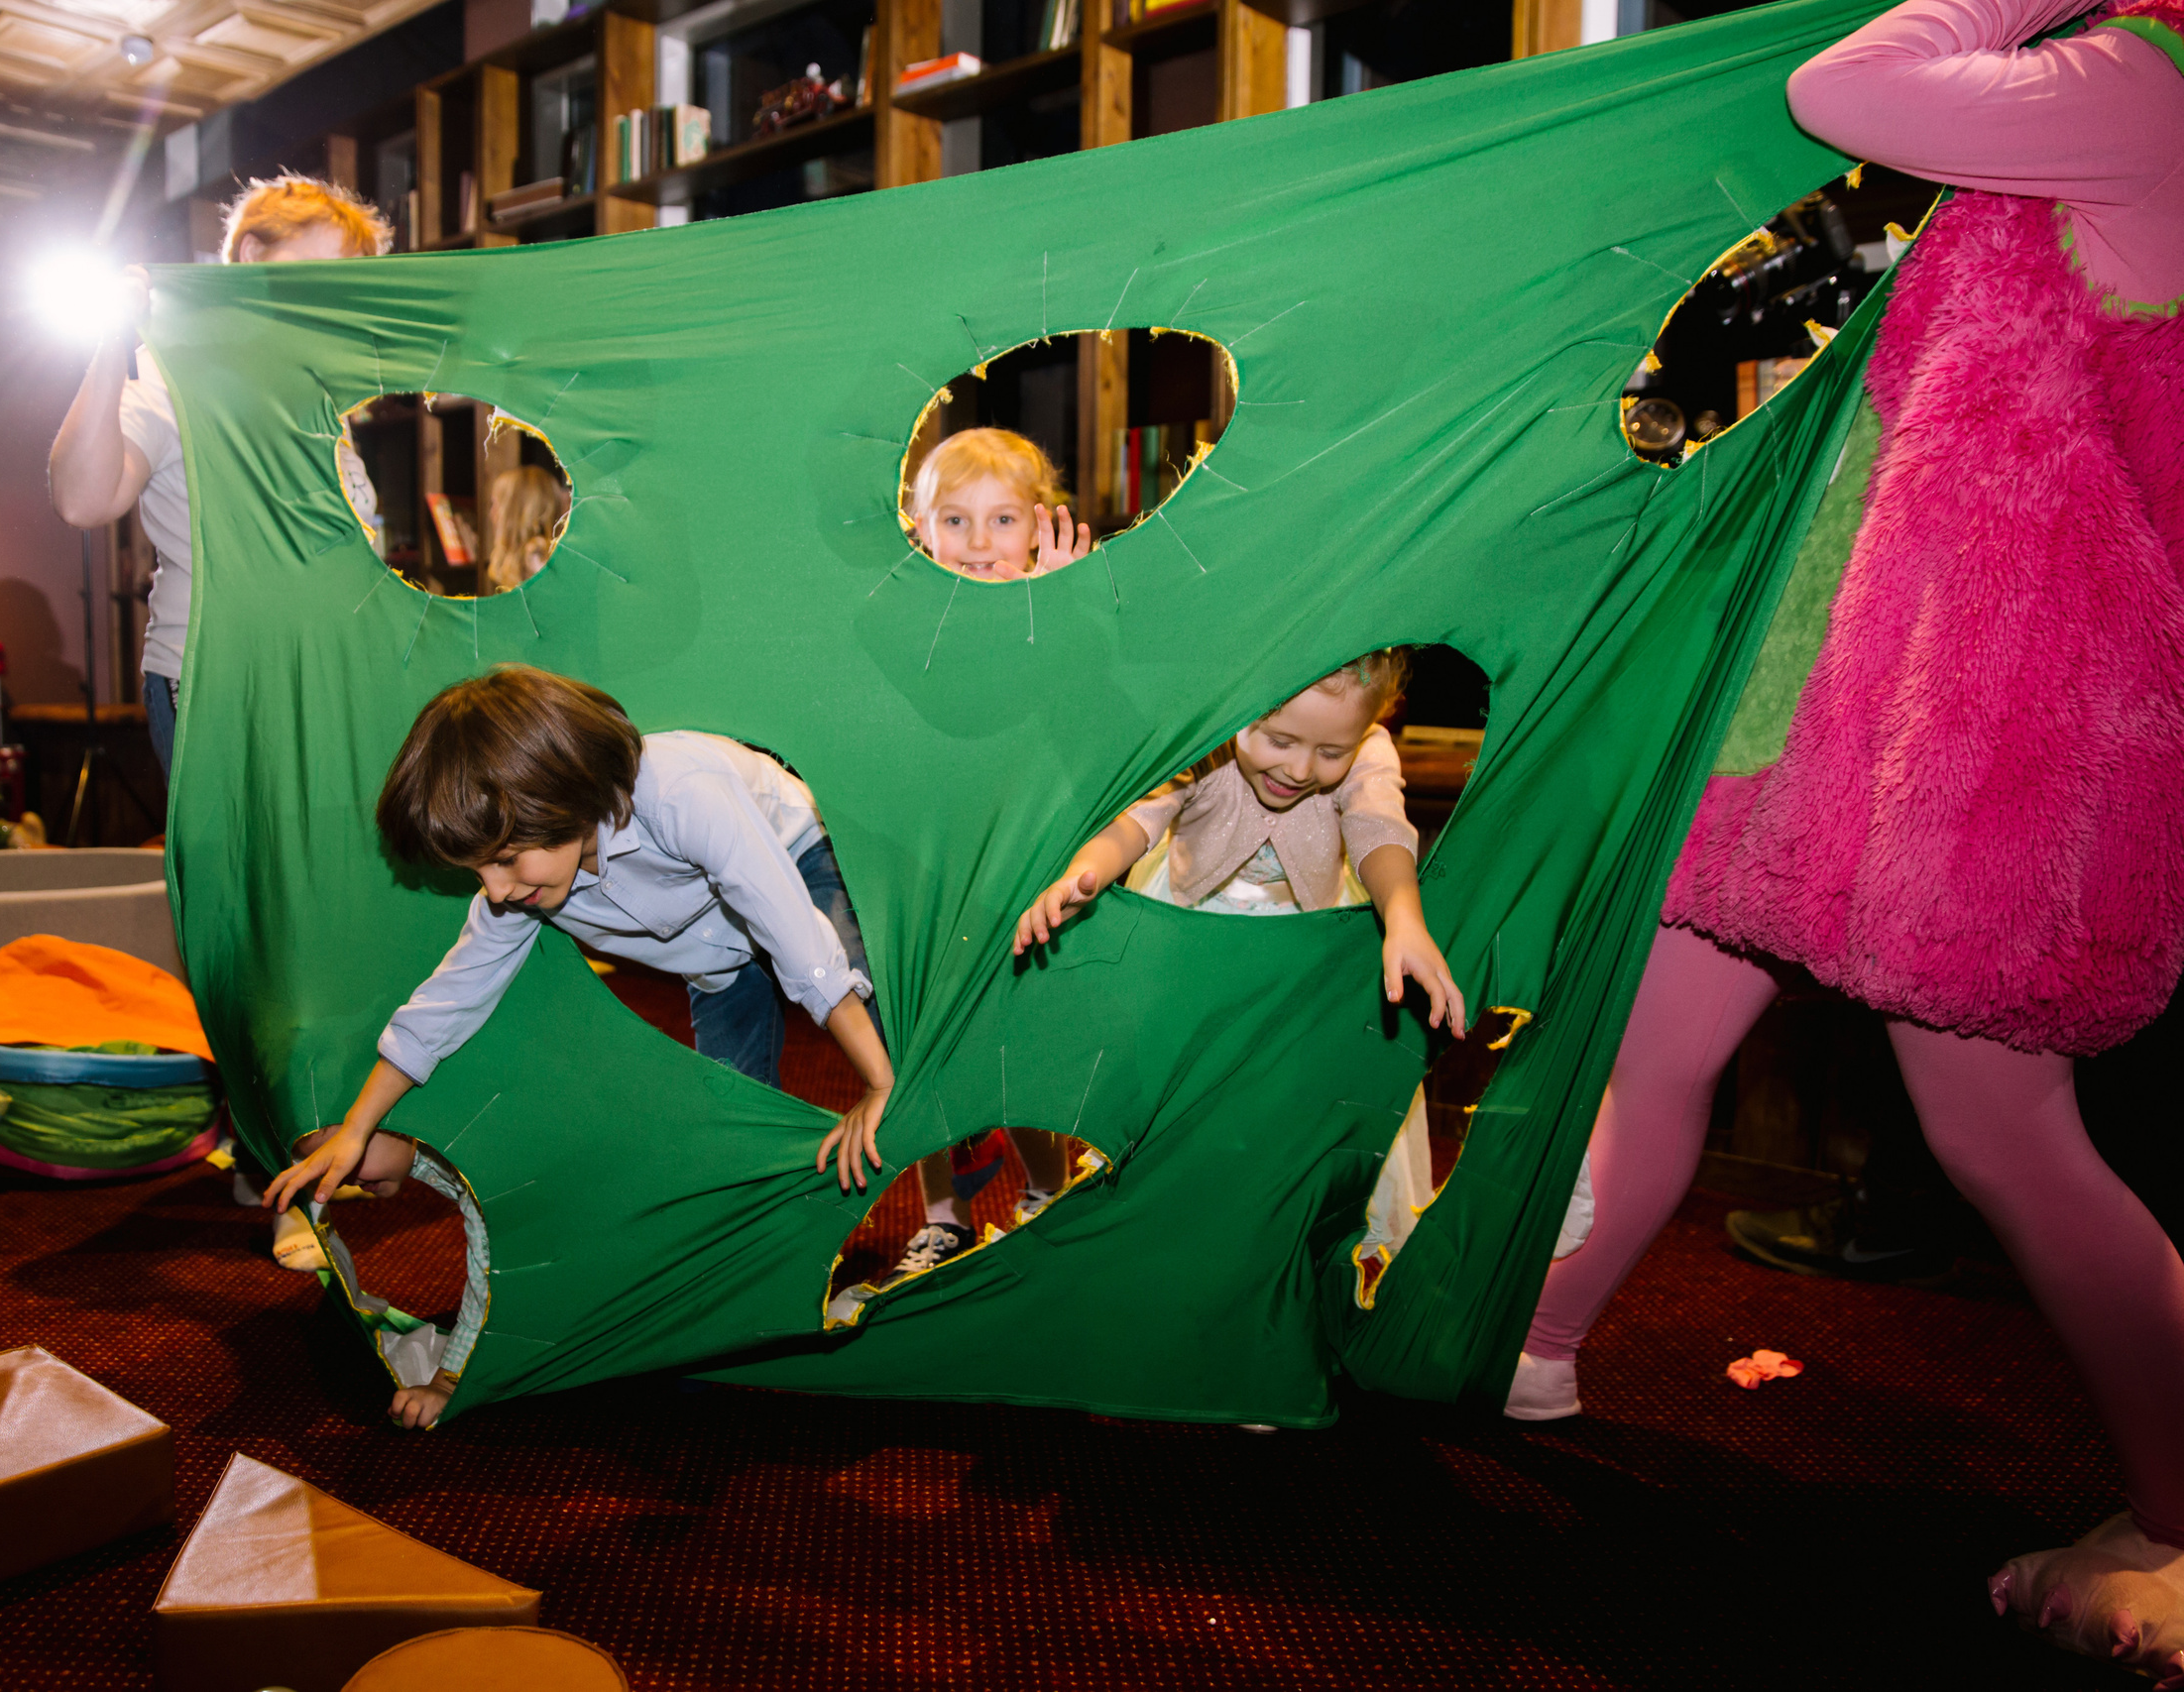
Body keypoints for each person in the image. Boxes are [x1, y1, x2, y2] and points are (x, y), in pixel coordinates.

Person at [1510, 0, 2184, 1675]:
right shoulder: (2048, 109)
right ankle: (1527, 1341)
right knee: (1652, 1039)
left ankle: (2182, 1517)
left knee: (2004, 1135)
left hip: (1989, 708)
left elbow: (1846, 83)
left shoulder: (2140, 82)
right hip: (1833, 678)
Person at [263, 665, 897, 1427]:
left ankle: (946, 1196)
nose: (496, 887)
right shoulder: (523, 886)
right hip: (715, 957)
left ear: (561, 796)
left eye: (505, 859)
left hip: (794, 864)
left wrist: (876, 1081)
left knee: (880, 1030)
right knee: (725, 1133)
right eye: (479, 869)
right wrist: (357, 1129)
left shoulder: (681, 791)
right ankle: (729, 1308)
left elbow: (796, 937)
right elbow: (444, 1003)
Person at [891, 650, 1462, 1288]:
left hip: (1298, 953)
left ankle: (1267, 1242)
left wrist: (1403, 916)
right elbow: (1139, 820)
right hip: (1191, 942)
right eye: (1279, 741)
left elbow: (1379, 829)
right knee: (1176, 1105)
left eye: (1332, 752)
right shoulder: (1207, 735)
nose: (1301, 769)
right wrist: (1084, 876)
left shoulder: (1370, 751)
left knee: (1283, 1106)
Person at [49, 172, 394, 776]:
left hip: (327, 683)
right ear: (253, 254)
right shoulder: (175, 374)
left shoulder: (318, 394)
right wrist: (112, 344)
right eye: (318, 273)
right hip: (223, 686)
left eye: (345, 287)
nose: (329, 301)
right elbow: (82, 500)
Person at [905, 427, 1095, 582]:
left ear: (1036, 529)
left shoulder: (1048, 602)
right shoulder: (911, 605)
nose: (979, 542)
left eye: (1004, 519)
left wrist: (1056, 598)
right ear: (925, 531)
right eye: (955, 520)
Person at [481, 463, 567, 593]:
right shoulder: (530, 556)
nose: (491, 513)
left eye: (495, 504)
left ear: (513, 511)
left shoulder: (536, 558)